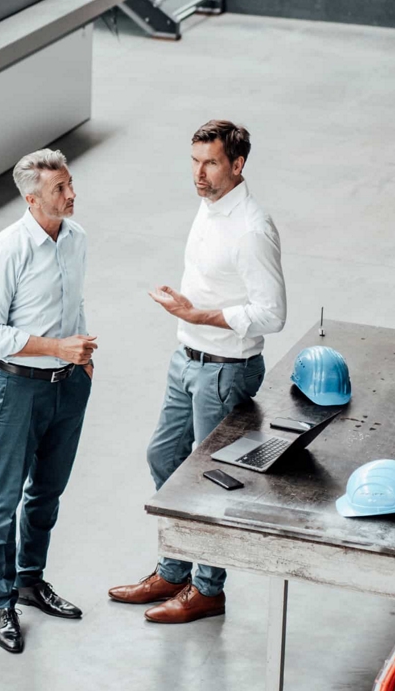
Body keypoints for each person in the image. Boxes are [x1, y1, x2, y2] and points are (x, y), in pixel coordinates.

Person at [108, 120, 287, 623]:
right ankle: (174, 569)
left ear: (238, 164)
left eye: (210, 163)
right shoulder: (209, 207)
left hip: (226, 370)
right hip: (186, 359)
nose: (199, 173)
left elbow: (272, 314)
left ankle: (207, 589)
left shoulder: (252, 227)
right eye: (194, 161)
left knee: (212, 480)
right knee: (164, 455)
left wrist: (200, 315)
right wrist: (188, 309)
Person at [0, 149, 97, 653]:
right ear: (31, 198)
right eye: (59, 189)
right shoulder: (5, 249)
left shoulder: (77, 238)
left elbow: (73, 300)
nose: (70, 194)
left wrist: (80, 355)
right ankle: (2, 602)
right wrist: (54, 348)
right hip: (18, 387)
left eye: (69, 183)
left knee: (47, 493)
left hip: (68, 385)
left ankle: (30, 580)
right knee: (4, 501)